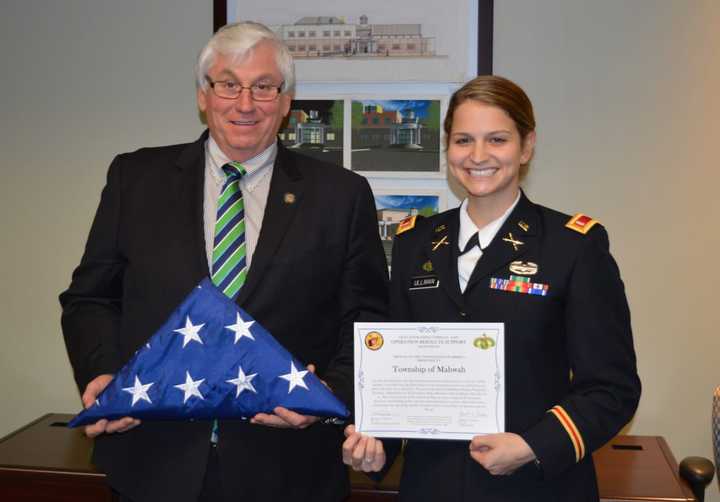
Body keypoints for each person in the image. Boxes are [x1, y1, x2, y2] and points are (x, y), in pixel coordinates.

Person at [59, 21, 388, 502]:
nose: (246, 103)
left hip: (288, 467)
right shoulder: (136, 179)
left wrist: (325, 396)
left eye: (264, 87)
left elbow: (367, 318)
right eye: (229, 84)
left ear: (286, 101)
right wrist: (104, 374)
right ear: (203, 95)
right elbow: (90, 298)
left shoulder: (340, 195)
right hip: (153, 459)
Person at [343, 75, 641, 501]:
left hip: (538, 487)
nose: (478, 156)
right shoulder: (414, 243)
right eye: (464, 140)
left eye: (497, 139)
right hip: (433, 486)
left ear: (527, 146)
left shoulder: (572, 246)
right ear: (448, 148)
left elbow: (613, 388)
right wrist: (376, 444)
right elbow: (400, 372)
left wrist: (532, 445)